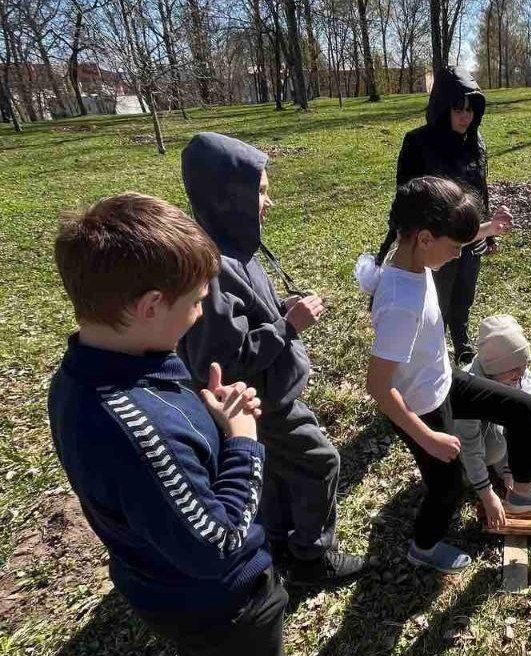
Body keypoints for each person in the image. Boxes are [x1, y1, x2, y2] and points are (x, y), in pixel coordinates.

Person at [48, 193, 287, 655]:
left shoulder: (83, 373)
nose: (200, 313)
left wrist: (215, 421)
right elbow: (217, 546)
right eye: (197, 301)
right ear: (151, 305)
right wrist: (242, 441)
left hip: (163, 582)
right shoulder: (138, 431)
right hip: (225, 608)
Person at [356, 177, 531, 574]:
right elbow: (377, 386)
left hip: (443, 378)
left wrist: (484, 230)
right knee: (447, 486)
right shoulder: (401, 303)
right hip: (422, 405)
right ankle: (423, 546)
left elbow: (446, 241)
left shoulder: (409, 258)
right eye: (454, 247)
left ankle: (522, 491)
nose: (458, 255)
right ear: (424, 238)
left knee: (522, 407)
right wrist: (428, 436)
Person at [179, 132, 365, 587]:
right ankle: (311, 557)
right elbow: (224, 360)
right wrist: (288, 326)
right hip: (262, 400)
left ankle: (279, 538)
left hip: (266, 393)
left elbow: (243, 319)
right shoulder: (214, 266)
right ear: (230, 197)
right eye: (260, 190)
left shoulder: (236, 244)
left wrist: (279, 308)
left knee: (279, 470)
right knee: (322, 463)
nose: (270, 201)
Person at [374, 66, 513, 366]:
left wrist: (486, 235)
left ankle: (461, 338)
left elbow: (480, 188)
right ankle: (434, 348)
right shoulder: (418, 142)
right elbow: (407, 196)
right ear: (442, 108)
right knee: (438, 298)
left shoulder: (477, 142)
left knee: (465, 292)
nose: (466, 116)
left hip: (472, 235)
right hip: (435, 241)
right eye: (458, 109)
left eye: (471, 109)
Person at [453, 315, 531, 529]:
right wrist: (487, 494)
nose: (522, 374)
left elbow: (515, 430)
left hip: (490, 434)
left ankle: (498, 466)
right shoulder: (467, 393)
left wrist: (509, 471)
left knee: (506, 444)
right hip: (458, 441)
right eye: (514, 370)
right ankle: (462, 474)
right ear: (493, 369)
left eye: (525, 365)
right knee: (489, 453)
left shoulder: (517, 374)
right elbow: (470, 448)